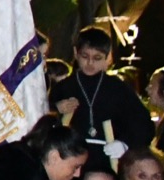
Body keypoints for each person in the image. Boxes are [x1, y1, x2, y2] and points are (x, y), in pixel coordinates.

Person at [51, 27, 152, 164]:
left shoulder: (118, 88)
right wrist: (56, 109)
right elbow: (44, 122)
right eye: (85, 56)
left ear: (107, 57)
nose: (90, 63)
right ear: (75, 53)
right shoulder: (64, 88)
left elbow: (144, 124)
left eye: (97, 58)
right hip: (72, 161)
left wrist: (125, 143)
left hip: (109, 160)